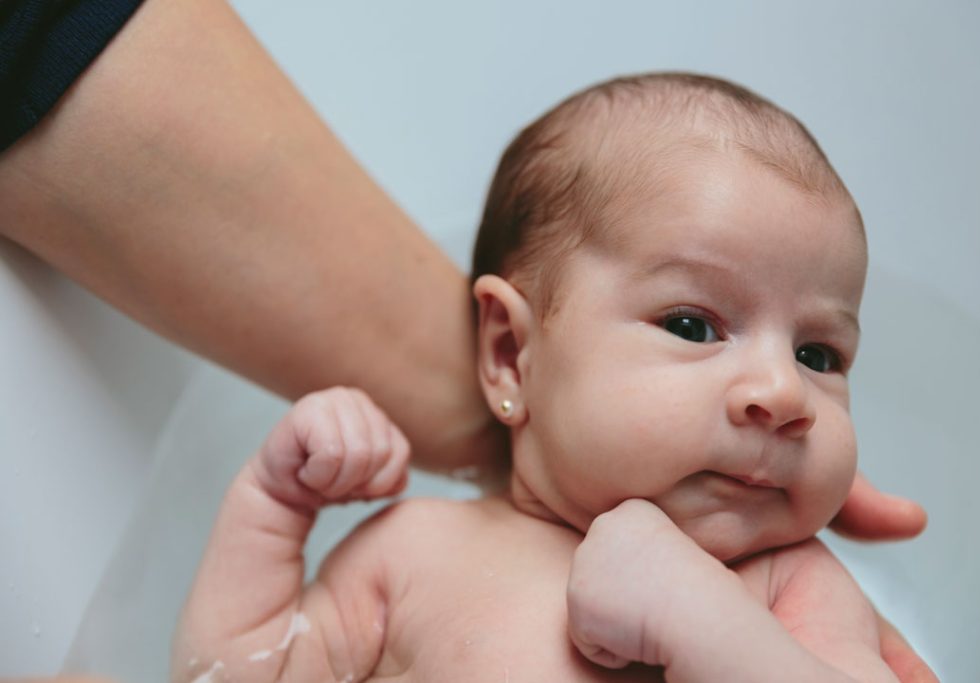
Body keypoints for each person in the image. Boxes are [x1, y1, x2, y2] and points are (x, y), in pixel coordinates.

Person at [0, 1, 930, 679]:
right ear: (509, 356)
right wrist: (271, 512)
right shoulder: (410, 548)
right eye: (693, 325)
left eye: (822, 353)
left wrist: (690, 616)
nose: (782, 389)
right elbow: (233, 672)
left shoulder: (786, 589)